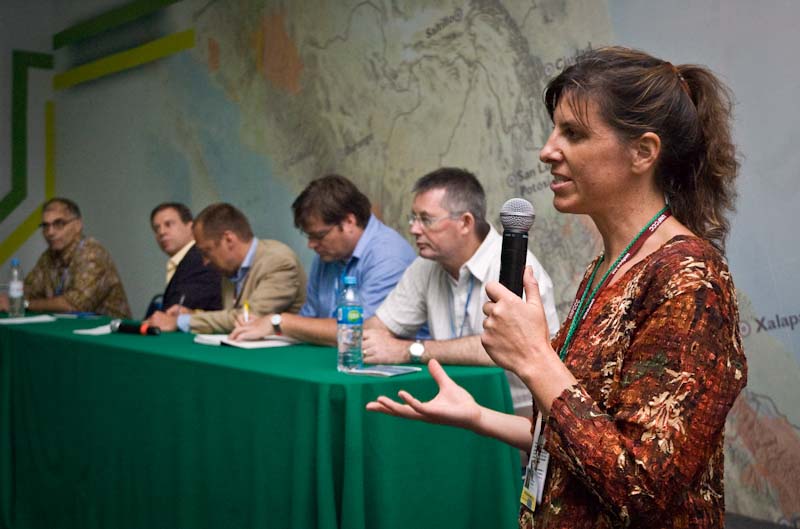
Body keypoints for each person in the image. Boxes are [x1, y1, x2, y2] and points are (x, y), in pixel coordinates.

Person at [367, 47, 747, 529]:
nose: (548, 150)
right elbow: (583, 437)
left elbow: (642, 489)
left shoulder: (691, 279)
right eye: (554, 130)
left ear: (643, 152)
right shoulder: (608, 267)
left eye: (574, 133)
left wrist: (533, 356)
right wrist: (476, 415)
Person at [362, 167, 560, 415]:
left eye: (426, 219)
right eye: (413, 218)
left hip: (518, 410)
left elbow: (503, 348)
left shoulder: (513, 264)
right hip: (453, 405)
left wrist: (409, 350)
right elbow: (376, 328)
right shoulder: (425, 265)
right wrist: (377, 340)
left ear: (465, 222)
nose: (414, 229)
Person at [229, 174, 415, 345]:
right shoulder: (328, 255)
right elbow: (309, 319)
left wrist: (279, 321)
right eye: (309, 236)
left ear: (349, 222)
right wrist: (262, 325)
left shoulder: (388, 256)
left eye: (319, 236)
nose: (311, 245)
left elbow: (359, 330)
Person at [146, 203, 306, 334]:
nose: (205, 262)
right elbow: (231, 315)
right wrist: (195, 315)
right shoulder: (229, 270)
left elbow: (248, 318)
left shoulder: (278, 261)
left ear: (229, 240)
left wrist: (181, 321)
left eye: (206, 252)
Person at [0, 197, 131, 318]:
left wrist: (24, 304)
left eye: (59, 224)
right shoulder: (48, 257)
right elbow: (28, 290)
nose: (50, 232)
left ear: (78, 225)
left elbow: (74, 305)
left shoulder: (92, 253)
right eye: (45, 226)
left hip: (109, 334)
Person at [145, 202, 222, 317]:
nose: (161, 232)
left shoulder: (200, 259)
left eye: (168, 224)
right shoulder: (184, 260)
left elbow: (174, 313)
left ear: (191, 227)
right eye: (156, 228)